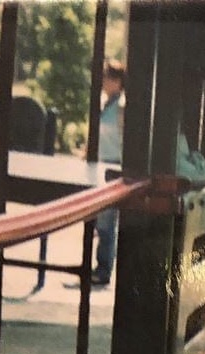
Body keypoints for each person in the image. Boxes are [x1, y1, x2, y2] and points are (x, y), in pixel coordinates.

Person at [92, 61, 124, 287]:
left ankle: (103, 269)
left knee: (106, 222)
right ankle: (100, 266)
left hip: (114, 166)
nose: (103, 81)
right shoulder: (108, 105)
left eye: (107, 77)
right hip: (102, 163)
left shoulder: (121, 108)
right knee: (101, 220)